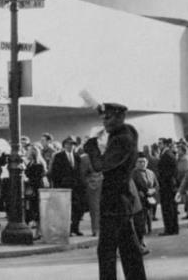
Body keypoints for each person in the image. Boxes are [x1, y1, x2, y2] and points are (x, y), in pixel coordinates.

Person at [83, 102, 147, 280]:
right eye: (102, 118)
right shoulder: (126, 132)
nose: (104, 122)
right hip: (121, 198)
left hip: (114, 200)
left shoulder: (121, 139)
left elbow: (101, 166)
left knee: (106, 250)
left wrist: (92, 148)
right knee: (129, 248)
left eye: (108, 118)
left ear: (120, 117)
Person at [50, 135, 87, 236]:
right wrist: (58, 185)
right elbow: (54, 172)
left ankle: (75, 227)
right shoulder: (59, 156)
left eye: (72, 144)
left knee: (78, 209)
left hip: (76, 187)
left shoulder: (76, 156)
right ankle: (67, 229)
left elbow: (80, 171)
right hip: (64, 186)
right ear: (64, 145)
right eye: (68, 144)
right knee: (65, 209)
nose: (71, 146)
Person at [131, 153, 159, 253]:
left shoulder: (150, 173)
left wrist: (153, 191)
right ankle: (139, 242)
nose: (142, 164)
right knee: (139, 223)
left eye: (144, 162)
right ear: (136, 163)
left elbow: (156, 185)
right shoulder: (133, 173)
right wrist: (139, 193)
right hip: (138, 201)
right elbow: (132, 187)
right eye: (140, 162)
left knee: (147, 220)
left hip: (149, 200)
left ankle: (142, 240)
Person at [81, 134, 104, 237]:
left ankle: (101, 229)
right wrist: (89, 183)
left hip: (103, 184)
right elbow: (82, 174)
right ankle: (96, 229)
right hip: (93, 185)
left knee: (102, 208)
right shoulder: (85, 158)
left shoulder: (101, 155)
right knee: (95, 209)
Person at [156, 139, 179, 236]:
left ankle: (170, 229)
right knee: (170, 207)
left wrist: (162, 180)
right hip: (169, 184)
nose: (159, 145)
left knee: (168, 208)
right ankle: (172, 228)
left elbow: (170, 171)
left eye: (160, 143)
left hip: (167, 185)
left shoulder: (167, 155)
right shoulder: (167, 154)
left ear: (165, 144)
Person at [23, 144, 46, 239]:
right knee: (33, 210)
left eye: (28, 151)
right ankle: (37, 231)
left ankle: (38, 232)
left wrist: (27, 180)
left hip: (35, 190)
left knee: (36, 210)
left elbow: (36, 178)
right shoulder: (31, 163)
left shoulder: (38, 165)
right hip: (33, 190)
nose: (26, 153)